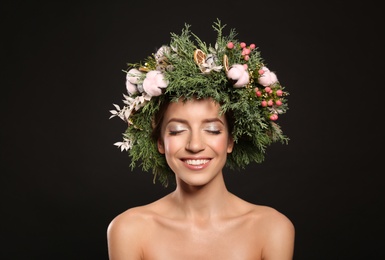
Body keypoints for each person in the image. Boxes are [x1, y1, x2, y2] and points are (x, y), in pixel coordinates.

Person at [107, 19, 295, 259]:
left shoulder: (272, 229)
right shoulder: (129, 230)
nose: (195, 145)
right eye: (176, 130)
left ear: (230, 140)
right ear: (160, 142)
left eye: (213, 130)